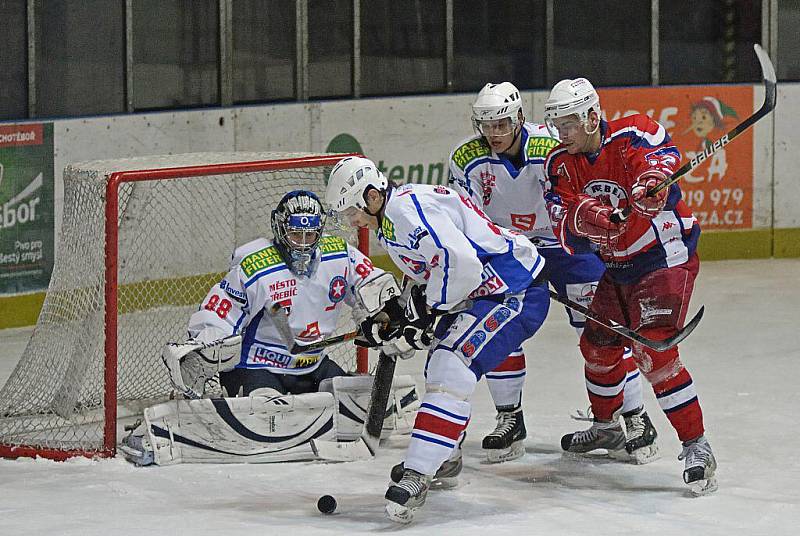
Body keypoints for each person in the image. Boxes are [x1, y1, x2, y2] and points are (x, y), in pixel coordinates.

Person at [325, 156, 551, 523]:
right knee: (438, 367)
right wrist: (394, 314)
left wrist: (426, 316)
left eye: (352, 211)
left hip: (515, 292)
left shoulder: (404, 211)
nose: (352, 221)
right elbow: (431, 272)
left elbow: (461, 263)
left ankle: (418, 473)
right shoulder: (394, 216)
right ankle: (443, 455)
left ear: (371, 196)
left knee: (451, 367)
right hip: (488, 291)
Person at [123, 190, 417, 465]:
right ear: (280, 230)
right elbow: (219, 312)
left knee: (353, 402)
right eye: (295, 234)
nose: (302, 243)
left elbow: (372, 283)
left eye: (310, 235)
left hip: (312, 366)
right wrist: (206, 346)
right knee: (267, 417)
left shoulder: (340, 256)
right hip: (258, 368)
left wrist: (384, 315)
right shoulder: (256, 266)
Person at [448, 81, 658, 464]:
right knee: (500, 329)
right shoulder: (465, 157)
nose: (494, 134)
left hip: (565, 248)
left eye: (502, 124)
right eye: (487, 125)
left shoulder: (550, 148)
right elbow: (467, 217)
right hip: (508, 252)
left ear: (519, 119)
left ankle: (634, 418)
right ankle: (510, 419)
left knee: (602, 334)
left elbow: (565, 201)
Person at [542, 77, 717, 495]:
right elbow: (561, 214)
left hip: (663, 255)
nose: (560, 132)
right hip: (617, 265)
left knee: (654, 351)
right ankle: (606, 428)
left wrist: (649, 185)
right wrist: (587, 217)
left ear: (590, 117)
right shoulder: (559, 163)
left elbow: (661, 158)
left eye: (567, 123)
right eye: (556, 124)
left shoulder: (633, 132)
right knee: (597, 349)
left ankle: (698, 447)